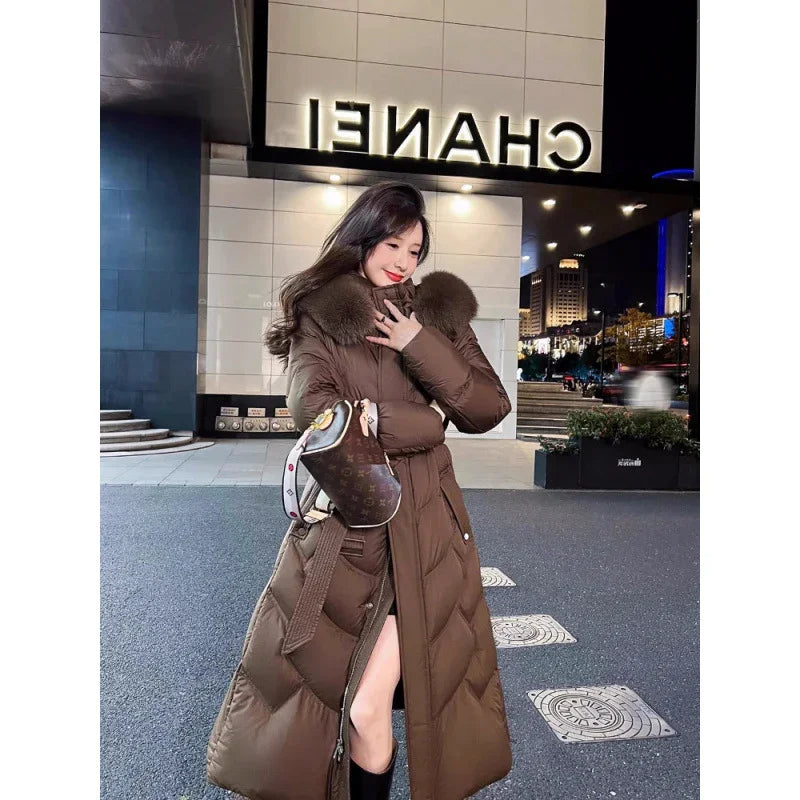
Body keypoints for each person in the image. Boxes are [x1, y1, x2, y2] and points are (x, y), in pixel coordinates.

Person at [206, 180, 514, 800]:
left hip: (425, 537)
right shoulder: (320, 314)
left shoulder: (438, 313)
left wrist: (416, 345)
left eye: (415, 250)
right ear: (363, 238)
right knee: (336, 705)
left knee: (371, 709)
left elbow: (487, 406)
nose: (402, 261)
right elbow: (317, 413)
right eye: (392, 244)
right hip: (352, 529)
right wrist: (426, 423)